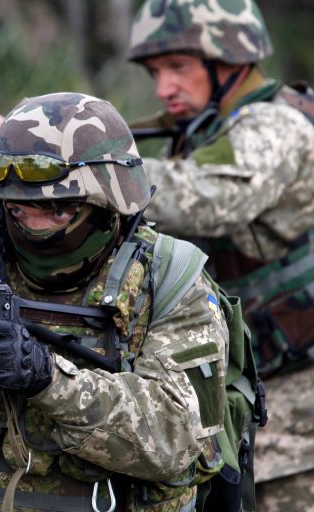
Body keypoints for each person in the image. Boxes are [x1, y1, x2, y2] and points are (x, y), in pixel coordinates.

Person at [0, 92, 230, 511]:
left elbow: (175, 437)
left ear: (108, 203)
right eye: (18, 210)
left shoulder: (171, 279)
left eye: (57, 211)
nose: (32, 225)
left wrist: (49, 379)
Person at [126, 1, 314, 510]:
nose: (164, 87)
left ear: (229, 60)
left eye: (179, 68)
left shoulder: (276, 126)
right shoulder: (206, 128)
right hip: (256, 386)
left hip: (300, 396)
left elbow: (210, 200)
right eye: (156, 73)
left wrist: (91, 169)